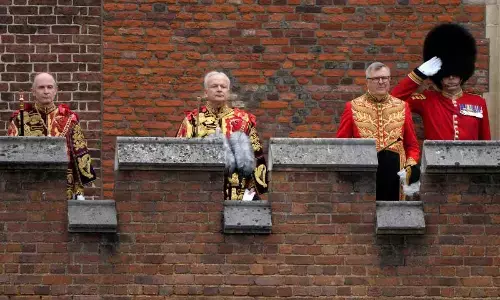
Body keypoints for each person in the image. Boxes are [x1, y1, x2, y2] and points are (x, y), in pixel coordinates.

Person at [176, 71, 268, 200]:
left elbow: (257, 153)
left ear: (228, 91)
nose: (219, 89)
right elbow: (181, 153)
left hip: (239, 191)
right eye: (214, 86)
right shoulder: (192, 120)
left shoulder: (243, 119)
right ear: (206, 92)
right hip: (203, 190)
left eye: (223, 87)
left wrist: (256, 186)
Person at [392, 23, 491, 140]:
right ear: (439, 76)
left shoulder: (478, 102)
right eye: (446, 75)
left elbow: (485, 140)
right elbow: (393, 101)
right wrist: (419, 74)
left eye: (455, 74)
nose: (451, 78)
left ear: (462, 74)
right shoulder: (427, 101)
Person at [337, 62, 420, 201]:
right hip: (365, 170)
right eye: (376, 79)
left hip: (396, 172)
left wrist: (411, 164)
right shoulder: (352, 106)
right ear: (367, 82)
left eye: (385, 78)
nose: (381, 82)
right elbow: (342, 144)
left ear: (389, 80)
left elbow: (412, 145)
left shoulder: (402, 106)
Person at [8, 72, 96, 200]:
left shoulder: (69, 119)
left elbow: (79, 155)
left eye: (49, 87)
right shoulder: (20, 119)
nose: (46, 91)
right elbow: (11, 155)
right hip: (30, 186)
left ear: (55, 91)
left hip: (64, 185)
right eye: (41, 87)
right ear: (33, 91)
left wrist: (79, 190)